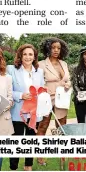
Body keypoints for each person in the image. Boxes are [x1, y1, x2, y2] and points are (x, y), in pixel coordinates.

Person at [7, 44, 45, 171]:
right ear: (20, 56)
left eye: (30, 54)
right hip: (18, 112)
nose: (28, 57)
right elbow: (6, 91)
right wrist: (20, 95)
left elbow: (42, 88)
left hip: (34, 113)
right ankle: (13, 167)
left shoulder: (39, 71)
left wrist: (42, 94)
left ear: (34, 57)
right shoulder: (11, 69)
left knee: (31, 140)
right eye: (25, 54)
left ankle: (28, 166)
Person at [35, 37, 71, 165]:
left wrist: (68, 84)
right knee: (43, 126)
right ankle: (39, 156)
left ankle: (62, 153)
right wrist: (43, 89)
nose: (56, 50)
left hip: (62, 99)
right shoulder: (41, 64)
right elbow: (37, 82)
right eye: (53, 47)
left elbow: (68, 80)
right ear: (47, 48)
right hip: (47, 98)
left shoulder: (64, 64)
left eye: (58, 48)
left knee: (61, 128)